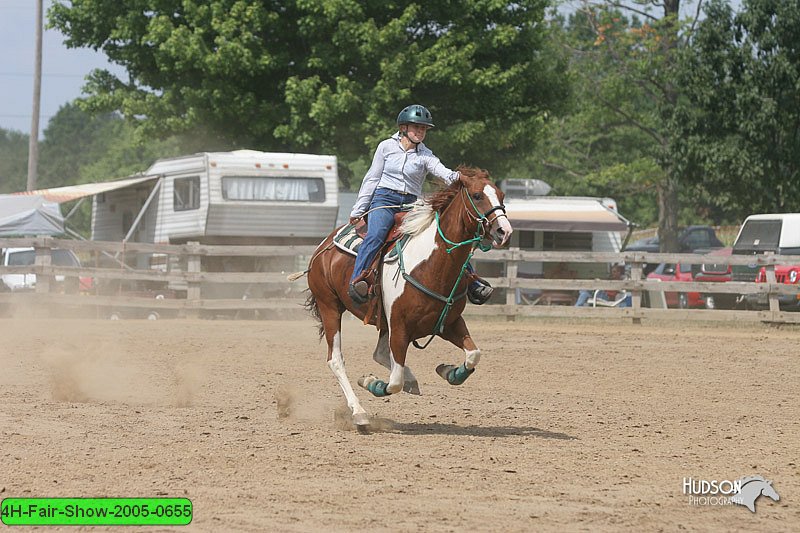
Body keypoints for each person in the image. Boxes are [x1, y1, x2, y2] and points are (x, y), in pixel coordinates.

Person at [347, 104, 493, 305]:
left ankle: (472, 281)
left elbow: (444, 173)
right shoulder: (385, 147)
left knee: (442, 235)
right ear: (403, 128)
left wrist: (462, 178)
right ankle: (358, 280)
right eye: (417, 127)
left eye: (424, 128)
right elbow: (372, 178)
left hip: (411, 203)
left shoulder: (426, 155)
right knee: (376, 234)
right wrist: (359, 209)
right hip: (384, 199)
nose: (421, 131)